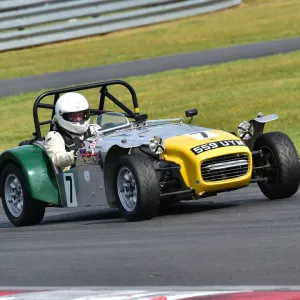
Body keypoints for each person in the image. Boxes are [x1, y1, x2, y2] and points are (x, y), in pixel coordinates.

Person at [44, 92, 99, 172]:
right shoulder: (54, 136)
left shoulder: (94, 129)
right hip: (74, 174)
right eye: (73, 116)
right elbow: (56, 159)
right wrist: (77, 155)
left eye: (80, 115)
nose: (78, 119)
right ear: (62, 116)